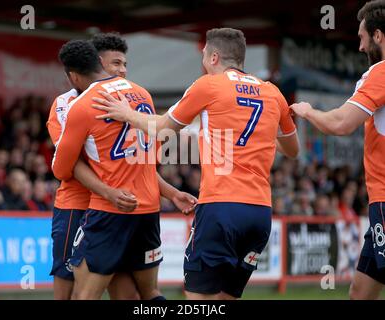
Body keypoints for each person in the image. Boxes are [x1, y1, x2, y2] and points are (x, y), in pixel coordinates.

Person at [91, 27, 299, 299]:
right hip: (260, 212)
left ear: (214, 57)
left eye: (203, 55)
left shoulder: (208, 85)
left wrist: (127, 113)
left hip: (222, 206)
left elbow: (162, 128)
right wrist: (263, 130)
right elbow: (292, 150)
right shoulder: (273, 93)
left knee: (199, 299)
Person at [51, 39, 196, 300]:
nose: (122, 69)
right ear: (100, 63)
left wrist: (109, 193)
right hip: (132, 206)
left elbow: (64, 167)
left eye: (124, 64)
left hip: (108, 209)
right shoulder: (141, 94)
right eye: (116, 63)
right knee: (142, 292)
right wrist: (171, 193)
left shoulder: (82, 106)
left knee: (81, 295)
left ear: (73, 75)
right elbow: (140, 160)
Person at [290, 0, 385, 300]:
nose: (359, 46)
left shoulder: (380, 73)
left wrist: (307, 112)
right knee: (360, 292)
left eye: (361, 37)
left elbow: (341, 123)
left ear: (378, 36)